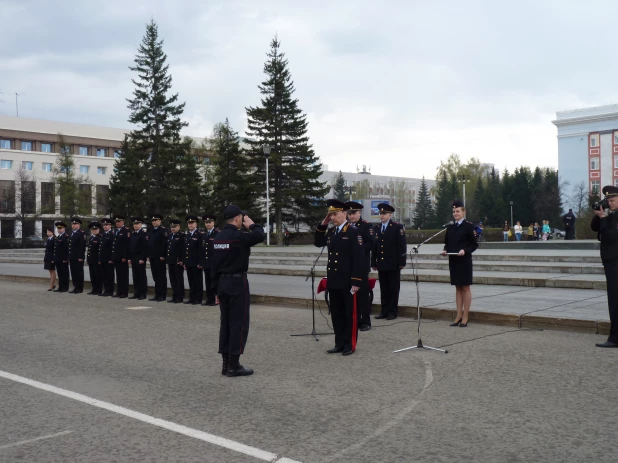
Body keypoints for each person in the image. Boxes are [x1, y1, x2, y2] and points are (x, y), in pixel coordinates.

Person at [211, 205, 265, 376]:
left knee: (225, 324)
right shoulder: (238, 236)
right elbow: (259, 235)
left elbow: (213, 266)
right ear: (237, 218)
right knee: (238, 324)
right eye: (242, 217)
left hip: (222, 283)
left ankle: (225, 364)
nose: (243, 220)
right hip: (237, 283)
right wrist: (252, 224)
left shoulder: (218, 237)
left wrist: (215, 291)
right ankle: (234, 365)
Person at [315, 199, 364, 356]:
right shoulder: (331, 232)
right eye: (331, 215)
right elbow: (317, 242)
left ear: (344, 214)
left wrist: (356, 280)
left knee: (349, 313)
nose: (333, 218)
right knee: (336, 313)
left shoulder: (353, 232)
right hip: (334, 279)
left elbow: (359, 258)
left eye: (335, 214)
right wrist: (324, 223)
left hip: (348, 281)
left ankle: (349, 344)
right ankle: (339, 342)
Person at [441, 200, 478, 327]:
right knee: (457, 288)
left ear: (463, 212)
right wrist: (445, 250)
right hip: (454, 261)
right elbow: (447, 243)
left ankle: (465, 316)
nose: (455, 213)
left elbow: (474, 244)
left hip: (464, 261)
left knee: (465, 288)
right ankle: (458, 315)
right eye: (454, 212)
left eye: (458, 211)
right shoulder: (450, 227)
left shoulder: (469, 226)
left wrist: (465, 250)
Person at [591, 185, 618, 348]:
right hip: (610, 261)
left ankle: (615, 338)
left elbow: (611, 236)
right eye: (608, 200)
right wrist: (599, 214)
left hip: (616, 261)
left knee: (615, 300)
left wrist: (603, 218)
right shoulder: (612, 215)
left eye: (613, 200)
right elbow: (595, 228)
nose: (610, 203)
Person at [371, 203, 406, 320]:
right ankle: (384, 310)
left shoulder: (397, 227)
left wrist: (402, 262)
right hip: (382, 264)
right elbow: (375, 247)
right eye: (380, 213)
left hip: (393, 263)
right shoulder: (376, 228)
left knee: (393, 288)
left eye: (384, 213)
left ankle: (392, 311)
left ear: (390, 215)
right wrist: (373, 263)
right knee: (384, 288)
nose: (382, 216)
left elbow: (401, 246)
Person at [345, 200, 374, 331]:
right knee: (349, 295)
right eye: (349, 213)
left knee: (363, 295)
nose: (351, 216)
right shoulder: (345, 226)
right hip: (347, 266)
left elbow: (372, 243)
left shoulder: (366, 226)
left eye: (354, 213)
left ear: (359, 213)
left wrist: (358, 248)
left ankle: (365, 321)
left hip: (361, 265)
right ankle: (353, 320)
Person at [183, 215, 203, 305]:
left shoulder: (199, 235)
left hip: (196, 262)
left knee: (197, 281)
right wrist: (184, 262)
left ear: (196, 224)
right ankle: (192, 297)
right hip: (189, 262)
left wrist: (200, 262)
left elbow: (200, 250)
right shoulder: (187, 235)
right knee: (191, 281)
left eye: (192, 223)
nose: (190, 225)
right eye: (189, 223)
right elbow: (185, 250)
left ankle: (198, 298)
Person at [148, 213, 168, 302]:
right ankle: (157, 294)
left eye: (156, 220)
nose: (154, 222)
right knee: (155, 276)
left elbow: (164, 244)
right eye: (153, 221)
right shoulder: (151, 231)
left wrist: (163, 255)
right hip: (153, 257)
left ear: (160, 221)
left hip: (160, 257)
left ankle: (162, 295)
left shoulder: (163, 231)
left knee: (161, 276)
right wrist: (149, 255)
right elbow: (150, 244)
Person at [201, 214, 219, 306]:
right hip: (206, 262)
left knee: (214, 282)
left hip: (214, 262)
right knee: (207, 282)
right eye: (206, 222)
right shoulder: (204, 234)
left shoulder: (217, 233)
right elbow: (203, 250)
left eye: (209, 222)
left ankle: (215, 300)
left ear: (213, 223)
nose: (208, 224)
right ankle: (209, 299)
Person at [128, 217, 148, 300]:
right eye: (134, 224)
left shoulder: (143, 234)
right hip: (133, 257)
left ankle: (143, 293)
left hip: (140, 257)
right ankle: (137, 292)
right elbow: (130, 247)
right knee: (135, 276)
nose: (135, 225)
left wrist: (143, 258)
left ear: (141, 225)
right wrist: (129, 257)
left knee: (141, 276)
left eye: (137, 224)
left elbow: (145, 247)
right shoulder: (133, 234)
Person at [166, 219, 185, 303]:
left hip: (177, 261)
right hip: (171, 261)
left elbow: (183, 250)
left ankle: (180, 296)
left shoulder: (181, 236)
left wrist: (182, 260)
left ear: (179, 227)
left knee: (179, 280)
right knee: (172, 279)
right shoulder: (170, 236)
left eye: (174, 227)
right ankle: (174, 295)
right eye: (172, 227)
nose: (173, 228)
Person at [112, 215, 130, 298]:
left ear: (123, 222)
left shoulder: (126, 231)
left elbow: (126, 245)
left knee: (123, 276)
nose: (117, 223)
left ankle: (124, 292)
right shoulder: (116, 231)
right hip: (116, 257)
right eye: (116, 222)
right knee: (118, 276)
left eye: (119, 221)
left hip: (122, 257)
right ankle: (119, 291)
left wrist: (125, 256)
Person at [68, 217, 86, 294]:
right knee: (73, 272)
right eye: (73, 224)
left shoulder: (81, 233)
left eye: (75, 224)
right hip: (72, 256)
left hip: (78, 257)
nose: (74, 225)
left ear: (79, 225)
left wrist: (80, 256)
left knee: (79, 273)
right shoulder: (71, 233)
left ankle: (79, 288)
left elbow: (82, 246)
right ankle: (75, 287)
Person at [98, 218, 115, 297]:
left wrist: (111, 258)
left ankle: (110, 290)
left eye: (107, 225)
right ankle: (106, 290)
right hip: (103, 258)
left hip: (109, 259)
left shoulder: (112, 234)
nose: (105, 226)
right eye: (104, 225)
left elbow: (112, 248)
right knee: (104, 275)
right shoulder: (103, 235)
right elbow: (101, 248)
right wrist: (100, 259)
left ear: (110, 226)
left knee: (109, 275)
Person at [52, 221, 70, 292]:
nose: (59, 229)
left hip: (63, 259)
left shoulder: (66, 237)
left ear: (64, 228)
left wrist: (65, 258)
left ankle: (65, 287)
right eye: (58, 228)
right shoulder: (59, 236)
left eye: (60, 228)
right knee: (60, 274)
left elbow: (66, 248)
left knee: (64, 273)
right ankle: (61, 287)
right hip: (58, 258)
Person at [86, 221, 103, 295]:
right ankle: (94, 289)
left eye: (96, 229)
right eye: (93, 229)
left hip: (97, 260)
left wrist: (99, 259)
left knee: (98, 276)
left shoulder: (100, 238)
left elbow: (100, 250)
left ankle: (99, 290)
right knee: (92, 276)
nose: (94, 230)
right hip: (91, 260)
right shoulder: (91, 238)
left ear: (99, 230)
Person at [43, 227, 57, 291]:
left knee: (52, 271)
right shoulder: (48, 239)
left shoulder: (54, 239)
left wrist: (53, 259)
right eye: (47, 232)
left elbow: (55, 250)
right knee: (50, 270)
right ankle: (53, 284)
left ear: (52, 232)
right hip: (48, 257)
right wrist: (45, 258)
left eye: (49, 232)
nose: (48, 233)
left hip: (52, 257)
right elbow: (47, 250)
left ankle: (51, 286)